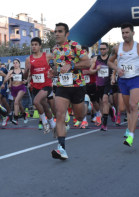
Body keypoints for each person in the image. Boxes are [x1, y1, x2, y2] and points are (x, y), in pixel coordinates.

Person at [107, 23, 139, 147]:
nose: (125, 35)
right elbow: (109, 62)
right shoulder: (117, 48)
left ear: (133, 33)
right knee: (129, 108)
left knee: (133, 105)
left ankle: (131, 135)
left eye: (127, 32)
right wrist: (117, 69)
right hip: (123, 80)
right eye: (123, 33)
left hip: (135, 79)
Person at [48, 22, 90, 160]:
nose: (57, 34)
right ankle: (62, 149)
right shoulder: (54, 49)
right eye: (55, 31)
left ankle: (86, 105)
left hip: (77, 85)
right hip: (62, 86)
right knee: (60, 114)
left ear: (67, 34)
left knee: (78, 117)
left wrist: (71, 64)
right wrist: (52, 73)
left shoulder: (75, 46)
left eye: (60, 31)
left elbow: (87, 63)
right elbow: (57, 68)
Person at [23, 37, 56, 133]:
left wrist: (54, 70)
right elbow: (25, 77)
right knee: (45, 106)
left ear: (40, 46)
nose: (33, 46)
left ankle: (44, 123)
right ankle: (53, 125)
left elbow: (58, 61)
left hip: (47, 85)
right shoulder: (28, 59)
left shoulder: (47, 56)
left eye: (35, 44)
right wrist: (27, 69)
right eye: (32, 44)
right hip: (36, 86)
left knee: (36, 102)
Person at [90, 42, 115, 131]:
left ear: (107, 49)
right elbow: (90, 70)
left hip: (108, 83)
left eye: (104, 49)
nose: (102, 50)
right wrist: (96, 69)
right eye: (100, 49)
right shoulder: (96, 59)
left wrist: (113, 78)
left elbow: (115, 70)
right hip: (99, 84)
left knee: (104, 100)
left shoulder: (111, 59)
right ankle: (111, 110)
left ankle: (104, 124)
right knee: (104, 102)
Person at [6, 59, 28, 125]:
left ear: (19, 64)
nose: (15, 64)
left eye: (16, 63)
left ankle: (15, 119)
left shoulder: (23, 71)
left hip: (21, 87)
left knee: (16, 102)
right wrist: (9, 78)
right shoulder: (11, 71)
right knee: (19, 104)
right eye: (14, 63)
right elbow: (6, 79)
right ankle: (24, 114)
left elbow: (27, 79)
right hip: (13, 88)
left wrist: (26, 81)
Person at [81, 46, 100, 125]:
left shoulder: (92, 61)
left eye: (84, 51)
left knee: (94, 101)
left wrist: (88, 72)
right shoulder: (79, 62)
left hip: (91, 84)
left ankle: (98, 114)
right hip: (82, 85)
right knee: (82, 102)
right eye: (82, 52)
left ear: (88, 53)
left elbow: (95, 71)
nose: (83, 53)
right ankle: (84, 120)